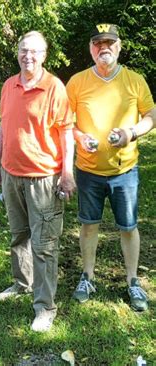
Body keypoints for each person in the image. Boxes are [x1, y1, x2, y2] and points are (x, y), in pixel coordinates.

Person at [0, 31, 76, 332]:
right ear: (17, 52)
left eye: (35, 51)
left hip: (44, 177)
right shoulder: (8, 85)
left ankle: (45, 308)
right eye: (24, 50)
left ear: (44, 55)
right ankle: (21, 283)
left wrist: (67, 173)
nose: (29, 56)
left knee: (44, 245)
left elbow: (66, 133)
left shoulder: (54, 87)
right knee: (19, 235)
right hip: (11, 174)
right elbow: (3, 126)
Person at [66, 24, 154, 311]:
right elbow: (67, 123)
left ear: (119, 47)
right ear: (91, 48)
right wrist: (80, 137)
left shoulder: (134, 80)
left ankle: (132, 281)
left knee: (128, 227)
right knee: (88, 225)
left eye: (109, 43)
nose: (104, 48)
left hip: (125, 171)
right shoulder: (77, 82)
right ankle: (88, 277)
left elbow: (151, 115)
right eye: (98, 43)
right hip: (88, 170)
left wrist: (131, 133)